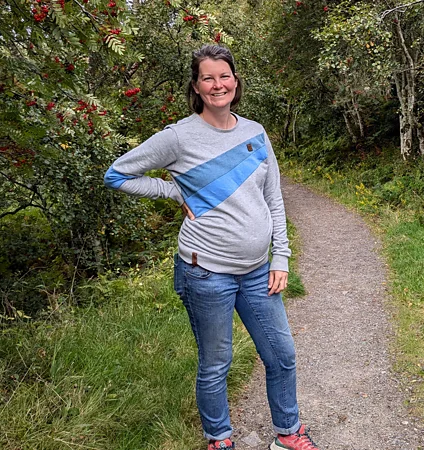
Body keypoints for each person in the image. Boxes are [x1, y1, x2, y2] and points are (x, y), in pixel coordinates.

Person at [104, 44, 319, 450]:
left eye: (224, 76)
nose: (218, 84)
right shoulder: (178, 137)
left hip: (258, 270)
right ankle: (219, 439)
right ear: (197, 86)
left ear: (235, 82)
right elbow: (117, 174)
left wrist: (282, 256)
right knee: (216, 363)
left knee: (282, 355)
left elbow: (274, 197)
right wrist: (171, 193)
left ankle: (288, 435)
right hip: (205, 273)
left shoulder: (255, 132)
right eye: (208, 77)